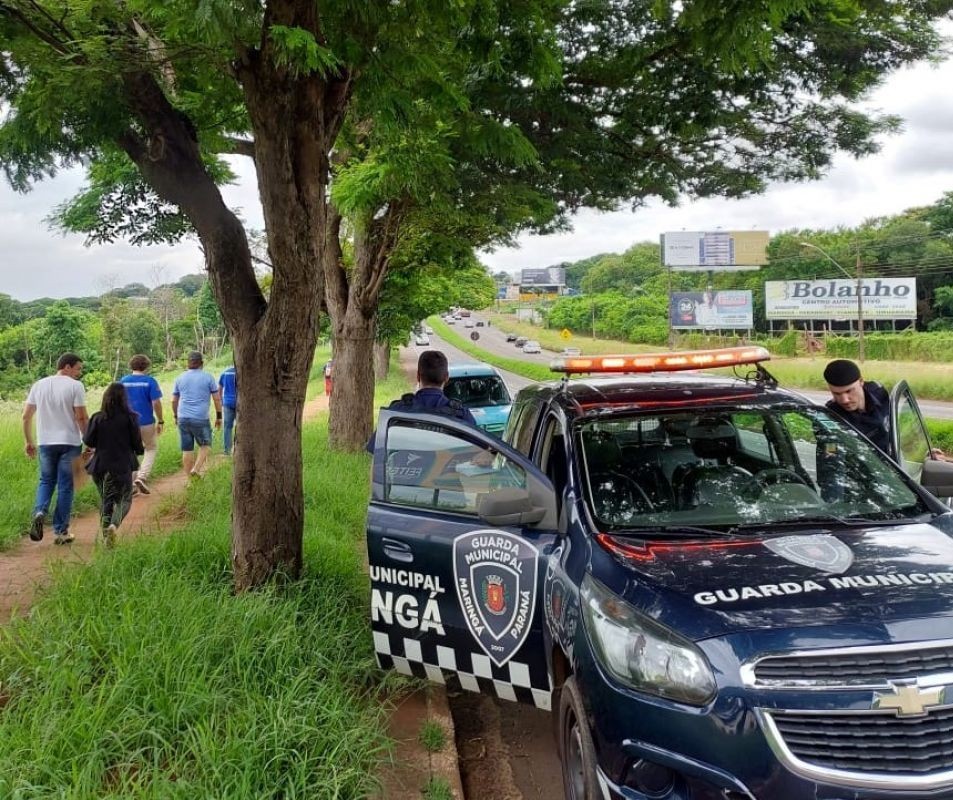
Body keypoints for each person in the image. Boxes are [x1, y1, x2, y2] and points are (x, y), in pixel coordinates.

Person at [22, 352, 89, 544]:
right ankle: (61, 532)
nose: (79, 373)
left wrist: (28, 441)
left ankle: (40, 511)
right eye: (78, 368)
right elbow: (81, 417)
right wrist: (89, 440)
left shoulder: (39, 385)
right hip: (70, 442)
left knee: (46, 480)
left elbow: (26, 416)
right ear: (66, 367)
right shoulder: (76, 386)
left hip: (45, 442)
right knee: (66, 486)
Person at [367, 350, 477, 453]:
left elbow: (375, 449)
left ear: (418, 376)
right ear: (447, 377)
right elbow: (481, 450)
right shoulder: (462, 415)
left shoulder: (396, 412)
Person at [83, 383, 144, 547]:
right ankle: (113, 525)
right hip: (122, 464)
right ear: (124, 398)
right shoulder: (130, 417)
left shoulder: (97, 417)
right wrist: (138, 450)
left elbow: (88, 440)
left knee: (106, 500)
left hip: (100, 465)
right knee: (125, 499)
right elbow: (137, 444)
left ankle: (106, 537)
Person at [172, 351, 222, 477]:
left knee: (187, 449)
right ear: (202, 363)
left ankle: (190, 480)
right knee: (206, 444)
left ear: (188, 363)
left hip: (183, 417)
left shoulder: (179, 378)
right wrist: (219, 416)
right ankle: (196, 469)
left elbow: (173, 400)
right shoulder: (208, 377)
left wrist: (176, 416)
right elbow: (217, 398)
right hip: (200, 418)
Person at [119, 354, 164, 494]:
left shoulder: (123, 381)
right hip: (146, 422)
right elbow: (156, 402)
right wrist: (161, 420)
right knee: (150, 448)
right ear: (146, 366)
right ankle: (142, 476)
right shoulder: (150, 381)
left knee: (131, 452)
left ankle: (131, 485)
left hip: (127, 423)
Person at [823, 359, 890, 452]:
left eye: (849, 391)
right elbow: (830, 455)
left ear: (861, 381)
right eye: (837, 394)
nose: (844, 400)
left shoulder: (879, 393)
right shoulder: (828, 418)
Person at [218, 364, 238, 455]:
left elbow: (220, 388)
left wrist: (221, 401)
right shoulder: (241, 372)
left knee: (227, 427)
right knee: (241, 426)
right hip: (240, 402)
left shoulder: (226, 372)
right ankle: (238, 448)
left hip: (227, 402)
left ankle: (227, 451)